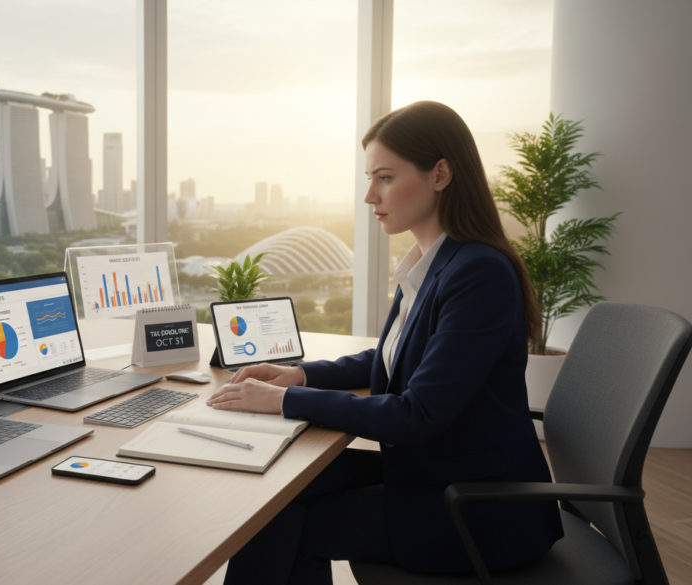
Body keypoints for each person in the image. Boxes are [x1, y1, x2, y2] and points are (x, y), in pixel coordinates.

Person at [208, 101, 564, 584]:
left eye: (385, 178)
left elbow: (417, 414)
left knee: (278, 520)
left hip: (477, 507)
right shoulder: (432, 260)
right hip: (432, 470)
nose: (369, 195)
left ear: (440, 174)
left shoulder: (478, 272)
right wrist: (301, 374)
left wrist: (286, 400)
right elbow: (394, 359)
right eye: (370, 178)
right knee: (275, 487)